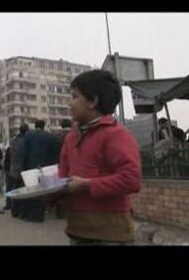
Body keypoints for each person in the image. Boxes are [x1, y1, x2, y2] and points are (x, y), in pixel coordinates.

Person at [58, 69, 141, 245]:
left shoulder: (116, 135)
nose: (69, 103)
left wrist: (87, 185)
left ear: (92, 101)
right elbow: (63, 178)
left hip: (111, 235)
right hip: (77, 230)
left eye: (74, 96)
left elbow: (131, 180)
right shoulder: (71, 137)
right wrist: (48, 191)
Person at [22, 120, 61, 222]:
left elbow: (24, 152)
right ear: (43, 126)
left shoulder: (28, 136)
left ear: (35, 126)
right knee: (41, 190)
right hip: (44, 167)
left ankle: (32, 214)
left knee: (32, 190)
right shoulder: (50, 137)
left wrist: (24, 167)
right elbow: (54, 153)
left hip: (31, 166)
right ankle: (40, 214)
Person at [8, 123, 29, 218]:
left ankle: (14, 211)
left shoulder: (13, 141)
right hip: (24, 168)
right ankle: (22, 211)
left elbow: (10, 153)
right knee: (24, 190)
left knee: (16, 189)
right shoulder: (26, 140)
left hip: (14, 168)